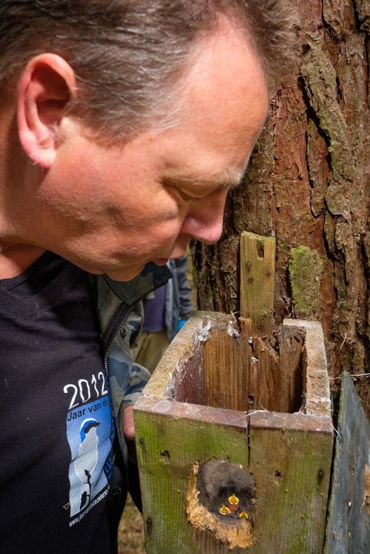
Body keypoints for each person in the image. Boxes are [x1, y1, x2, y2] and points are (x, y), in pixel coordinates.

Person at [0, 1, 295, 552]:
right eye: (187, 190)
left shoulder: (84, 258)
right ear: (49, 111)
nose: (214, 228)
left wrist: (133, 412)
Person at [134, 256, 193, 373]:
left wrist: (184, 315)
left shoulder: (172, 245)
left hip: (162, 327)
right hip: (128, 332)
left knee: (153, 380)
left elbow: (181, 280)